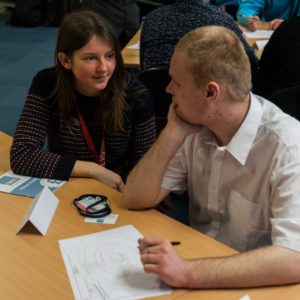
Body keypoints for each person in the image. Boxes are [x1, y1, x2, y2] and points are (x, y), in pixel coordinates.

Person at [124, 26, 300, 288]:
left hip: (255, 282)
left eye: (177, 82)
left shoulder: (288, 147)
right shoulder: (194, 125)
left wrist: (186, 273)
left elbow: (294, 259)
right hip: (199, 259)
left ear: (210, 93)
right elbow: (135, 197)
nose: (169, 89)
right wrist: (171, 133)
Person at [10, 10, 156, 192]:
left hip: (118, 189)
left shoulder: (136, 94)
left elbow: (145, 168)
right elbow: (22, 155)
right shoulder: (48, 83)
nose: (103, 68)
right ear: (65, 60)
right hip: (68, 182)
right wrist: (93, 170)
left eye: (109, 56)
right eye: (90, 58)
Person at [140, 0, 258, 79]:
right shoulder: (222, 20)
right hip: (208, 107)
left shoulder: (151, 19)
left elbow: (143, 66)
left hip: (156, 107)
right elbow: (250, 63)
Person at [253, 16, 300, 98]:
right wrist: (247, 18)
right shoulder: (290, 28)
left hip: (277, 101)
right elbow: (247, 10)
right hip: (278, 100)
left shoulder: (289, 27)